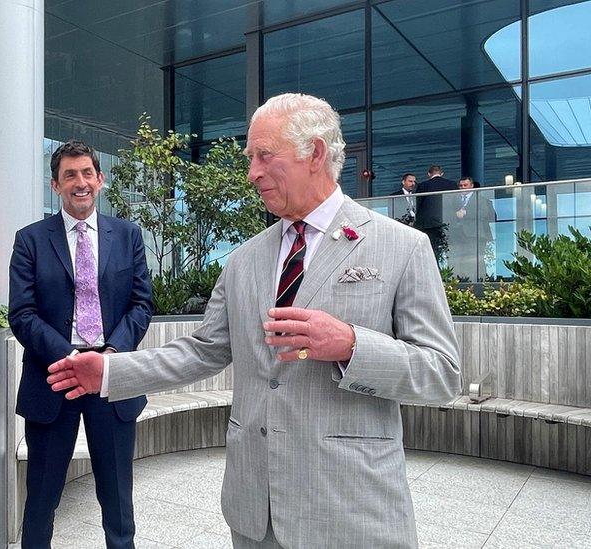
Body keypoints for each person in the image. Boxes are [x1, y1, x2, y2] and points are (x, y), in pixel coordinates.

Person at [46, 93, 461, 548]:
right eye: (251, 159)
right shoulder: (244, 260)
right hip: (254, 512)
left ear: (315, 153)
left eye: (264, 156)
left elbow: (441, 373)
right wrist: (109, 371)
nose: (252, 173)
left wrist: (350, 345)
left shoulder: (402, 247)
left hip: (351, 510)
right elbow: (205, 349)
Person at [8, 140, 154, 548]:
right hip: (54, 376)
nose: (80, 182)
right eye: (69, 175)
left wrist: (111, 354)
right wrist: (69, 357)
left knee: (118, 501)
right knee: (42, 499)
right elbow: (21, 314)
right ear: (55, 185)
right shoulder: (31, 240)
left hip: (112, 377)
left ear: (100, 179)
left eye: (87, 173)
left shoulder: (127, 235)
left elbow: (142, 304)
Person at [448, 176, 495, 282]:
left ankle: (480, 281)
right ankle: (463, 281)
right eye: (461, 186)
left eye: (465, 185)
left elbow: (485, 213)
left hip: (476, 234)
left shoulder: (480, 198)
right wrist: (455, 214)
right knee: (461, 260)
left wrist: (466, 213)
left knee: (476, 259)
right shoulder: (454, 199)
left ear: (472, 186)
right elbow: (448, 214)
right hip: (458, 235)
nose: (463, 188)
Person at [414, 165, 459, 262]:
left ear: (429, 174)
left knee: (432, 251)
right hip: (448, 222)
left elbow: (419, 205)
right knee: (451, 250)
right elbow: (457, 203)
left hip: (429, 224)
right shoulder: (452, 184)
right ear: (441, 173)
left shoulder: (423, 185)